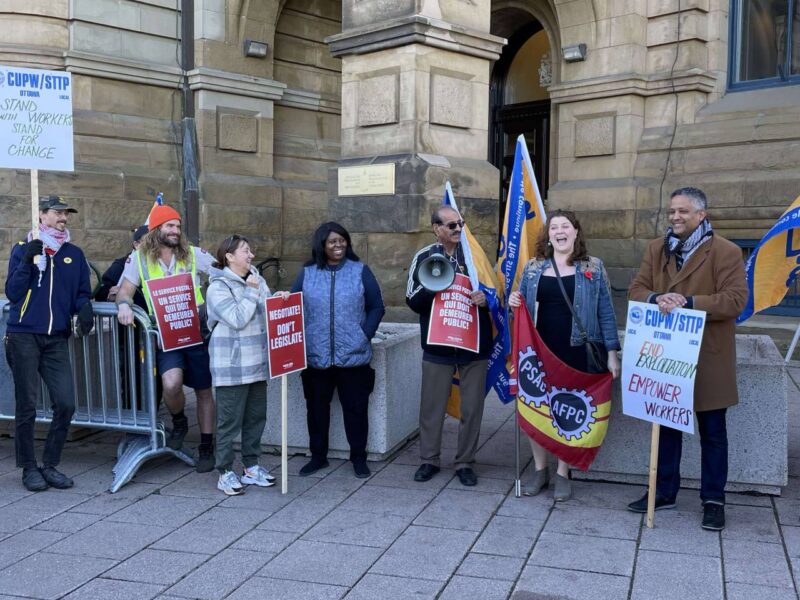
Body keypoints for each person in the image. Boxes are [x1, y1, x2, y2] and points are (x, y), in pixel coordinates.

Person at [625, 187, 747, 531]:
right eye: (671, 212)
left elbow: (735, 301)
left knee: (712, 431)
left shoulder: (726, 252)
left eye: (683, 211)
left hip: (708, 356)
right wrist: (659, 298)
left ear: (701, 215)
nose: (675, 217)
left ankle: (713, 500)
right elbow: (636, 290)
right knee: (665, 426)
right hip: (667, 357)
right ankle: (664, 492)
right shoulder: (656, 248)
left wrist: (688, 303)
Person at [508, 209, 621, 501]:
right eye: (554, 227)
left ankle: (562, 471)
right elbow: (520, 308)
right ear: (548, 235)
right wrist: (513, 301)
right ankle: (539, 469)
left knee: (566, 410)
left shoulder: (593, 268)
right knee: (535, 406)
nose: (560, 231)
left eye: (565, 226)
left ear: (575, 232)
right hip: (538, 350)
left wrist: (612, 353)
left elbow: (606, 312)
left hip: (576, 349)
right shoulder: (533, 268)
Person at [114, 204, 217, 472]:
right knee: (171, 384)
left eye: (178, 226)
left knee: (204, 389)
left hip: (196, 332)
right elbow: (124, 291)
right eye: (169, 225)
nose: (175, 231)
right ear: (156, 229)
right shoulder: (139, 259)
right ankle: (180, 420)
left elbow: (222, 271)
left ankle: (207, 444)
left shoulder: (193, 255)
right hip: (166, 335)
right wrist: (124, 305)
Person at [279, 222, 384, 479]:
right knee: (316, 410)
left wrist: (364, 334)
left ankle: (358, 457)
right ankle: (318, 457)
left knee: (356, 410)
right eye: (332, 242)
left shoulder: (360, 271)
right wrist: (284, 300)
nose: (338, 245)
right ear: (321, 245)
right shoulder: (308, 272)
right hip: (317, 357)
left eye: (342, 240)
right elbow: (294, 305)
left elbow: (376, 306)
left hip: (353, 356)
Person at [4, 195, 94, 491]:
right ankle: (28, 467)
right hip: (23, 335)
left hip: (55, 338)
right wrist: (29, 261)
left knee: (66, 402)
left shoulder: (74, 254)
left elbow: (82, 291)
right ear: (41, 215)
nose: (63, 218)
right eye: (57, 212)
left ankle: (50, 464)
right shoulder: (23, 248)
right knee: (27, 404)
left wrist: (84, 307)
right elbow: (14, 293)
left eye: (66, 213)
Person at [406, 206, 492, 487]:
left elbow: (497, 291)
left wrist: (486, 299)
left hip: (473, 344)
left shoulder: (475, 256)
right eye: (451, 225)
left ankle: (465, 462)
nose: (458, 229)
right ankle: (429, 460)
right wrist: (434, 284)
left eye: (460, 224)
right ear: (436, 229)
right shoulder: (424, 257)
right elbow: (411, 300)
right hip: (437, 345)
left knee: (472, 409)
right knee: (432, 406)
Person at [206, 235, 275, 495]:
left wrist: (277, 301)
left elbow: (265, 311)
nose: (251, 256)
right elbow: (237, 318)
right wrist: (252, 291)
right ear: (229, 256)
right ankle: (224, 471)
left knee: (255, 418)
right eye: (245, 251)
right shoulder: (218, 286)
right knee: (229, 422)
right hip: (232, 366)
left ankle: (251, 466)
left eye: (250, 250)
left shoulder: (256, 279)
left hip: (257, 362)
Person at [94, 225, 148, 308]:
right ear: (136, 245)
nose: (155, 247)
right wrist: (111, 295)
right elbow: (101, 294)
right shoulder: (121, 266)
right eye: (149, 242)